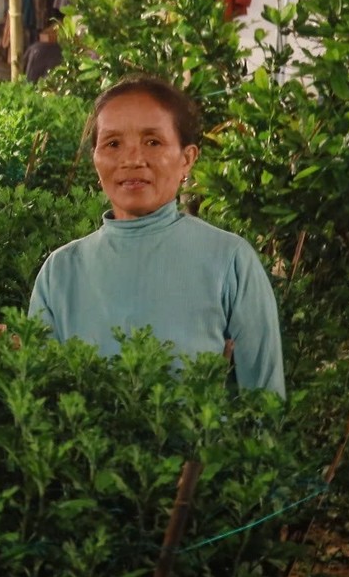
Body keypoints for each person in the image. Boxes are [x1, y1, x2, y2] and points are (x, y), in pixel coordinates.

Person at [18, 76, 284, 396]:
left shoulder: (230, 261)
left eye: (152, 142)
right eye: (113, 144)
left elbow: (265, 406)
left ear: (187, 158)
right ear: (95, 160)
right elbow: (44, 401)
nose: (132, 160)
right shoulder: (60, 271)